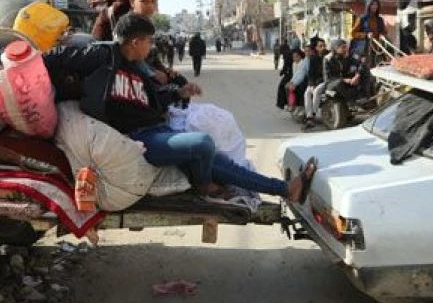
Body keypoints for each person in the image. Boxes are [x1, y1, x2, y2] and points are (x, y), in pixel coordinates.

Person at [43, 13, 317, 201]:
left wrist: (179, 92)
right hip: (137, 138)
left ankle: (284, 189)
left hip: (157, 128)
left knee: (222, 163)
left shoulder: (139, 68)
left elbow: (153, 100)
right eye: (149, 42)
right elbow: (55, 57)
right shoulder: (104, 55)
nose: (151, 47)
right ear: (135, 41)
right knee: (203, 143)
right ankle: (203, 186)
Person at [289, 37, 326, 118]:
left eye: (324, 46)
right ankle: (308, 114)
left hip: (323, 81)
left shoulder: (326, 57)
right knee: (307, 92)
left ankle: (312, 113)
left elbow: (325, 73)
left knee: (310, 90)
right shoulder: (310, 59)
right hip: (314, 81)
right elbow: (305, 73)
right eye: (320, 46)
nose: (307, 53)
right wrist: (293, 82)